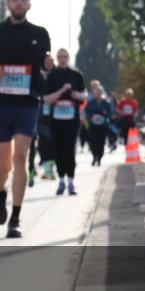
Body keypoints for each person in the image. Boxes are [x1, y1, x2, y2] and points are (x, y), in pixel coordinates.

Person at [0, 0, 50, 239]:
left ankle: (15, 218)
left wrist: (48, 66)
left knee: (21, 158)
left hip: (27, 103)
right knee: (4, 164)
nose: (19, 3)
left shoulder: (40, 34)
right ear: (8, 3)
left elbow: (44, 64)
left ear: (29, 4)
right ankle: (0, 191)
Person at [43, 48, 86, 196]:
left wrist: (77, 95)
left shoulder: (76, 75)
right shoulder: (52, 76)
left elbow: (84, 95)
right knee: (58, 150)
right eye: (60, 56)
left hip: (72, 119)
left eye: (65, 56)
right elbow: (46, 99)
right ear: (57, 58)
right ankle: (61, 181)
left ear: (68, 58)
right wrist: (62, 91)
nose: (62, 59)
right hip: (56, 118)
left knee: (69, 149)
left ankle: (71, 182)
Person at [36, 53, 57, 180]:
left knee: (53, 143)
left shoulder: (57, 75)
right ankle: (46, 169)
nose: (49, 63)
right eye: (47, 61)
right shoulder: (37, 75)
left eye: (51, 61)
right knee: (43, 143)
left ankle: (52, 169)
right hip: (40, 114)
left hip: (56, 114)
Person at [84, 83, 113, 166]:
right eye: (97, 92)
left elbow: (109, 113)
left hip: (102, 125)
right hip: (93, 125)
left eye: (99, 92)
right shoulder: (91, 102)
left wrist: (105, 114)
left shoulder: (105, 103)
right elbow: (87, 112)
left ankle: (99, 157)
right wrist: (90, 117)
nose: (98, 94)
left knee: (101, 142)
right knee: (93, 141)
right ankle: (94, 157)